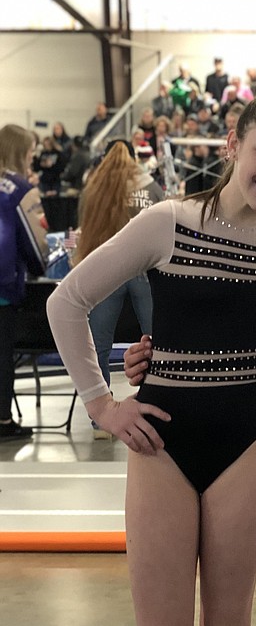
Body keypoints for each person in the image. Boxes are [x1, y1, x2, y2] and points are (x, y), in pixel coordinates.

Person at [46, 88, 256, 626]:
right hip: (161, 444)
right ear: (233, 144)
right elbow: (67, 300)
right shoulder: (169, 221)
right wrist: (102, 403)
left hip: (244, 444)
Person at [73, 140, 165, 431]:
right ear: (135, 157)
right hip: (144, 271)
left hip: (107, 271)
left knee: (97, 344)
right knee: (160, 340)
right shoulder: (150, 185)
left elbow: (84, 228)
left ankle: (100, 413)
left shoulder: (97, 186)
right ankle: (162, 403)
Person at [0, 124, 47, 440]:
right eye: (30, 153)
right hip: (3, 285)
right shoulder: (20, 189)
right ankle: (3, 420)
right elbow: (37, 241)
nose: (32, 160)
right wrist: (39, 265)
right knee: (3, 356)